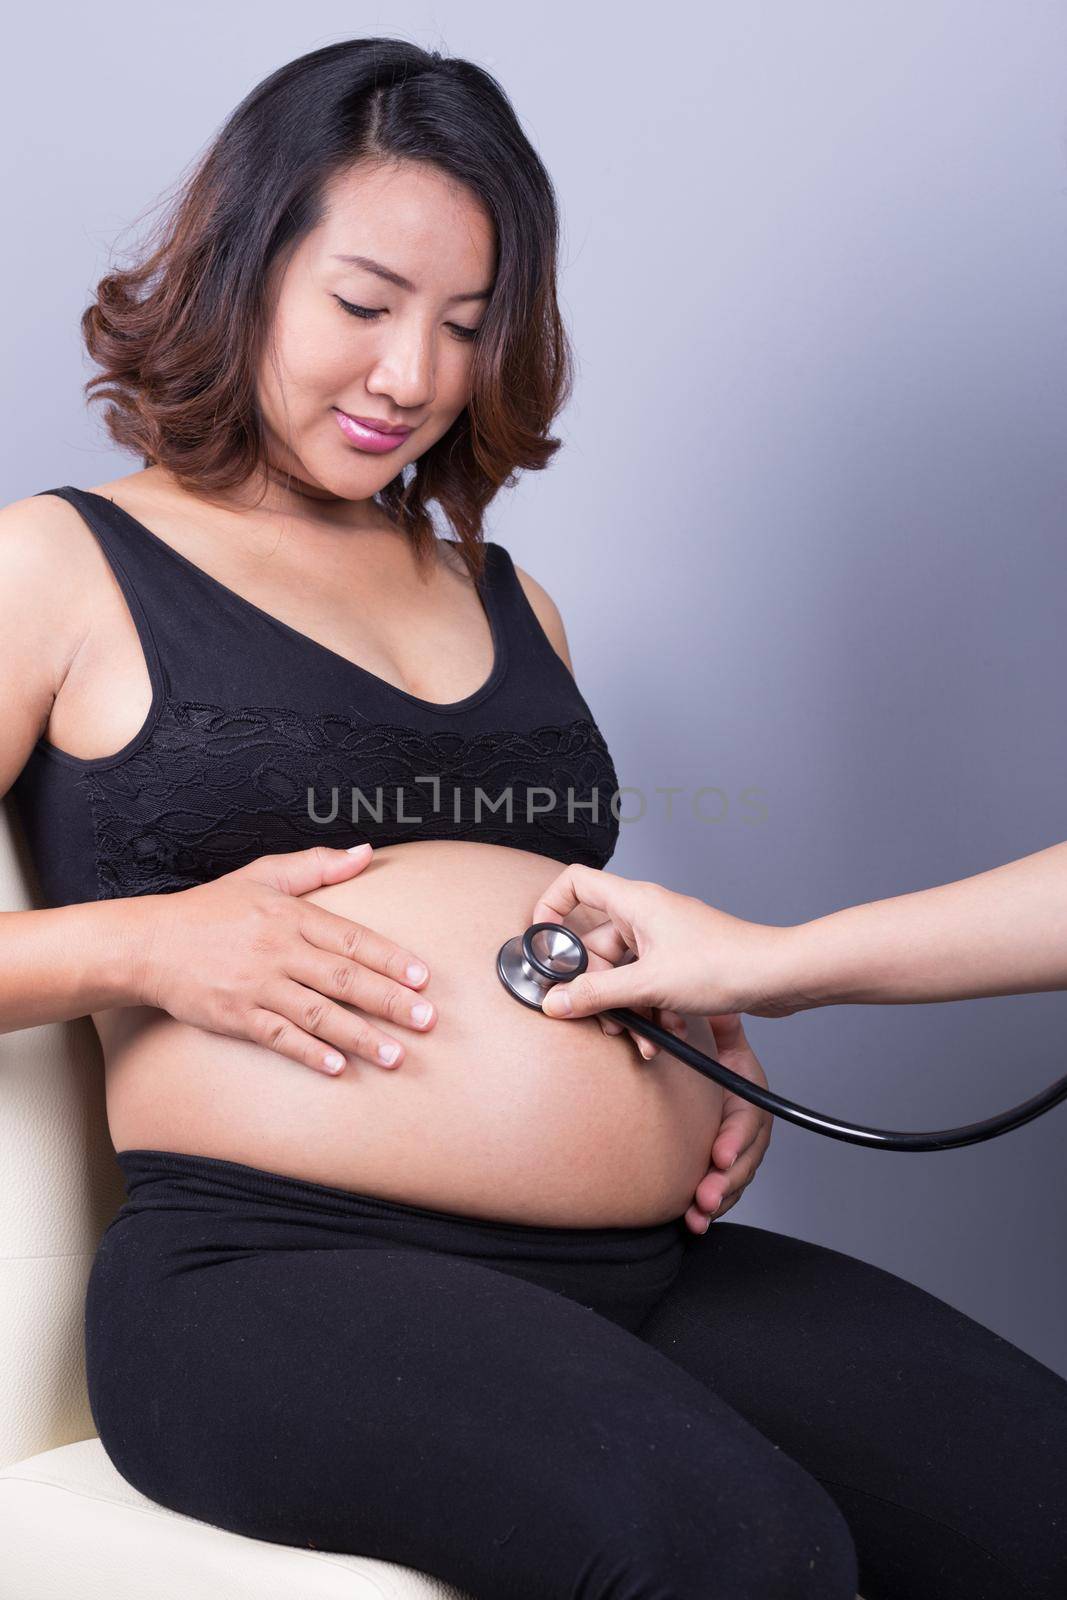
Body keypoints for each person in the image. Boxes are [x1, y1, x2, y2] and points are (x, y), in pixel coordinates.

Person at [3, 36, 1065, 1600]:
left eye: (466, 325)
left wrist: (694, 1035)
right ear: (243, 272)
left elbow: (551, 912)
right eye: (364, 305)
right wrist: (154, 945)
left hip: (630, 1269)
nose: (412, 376)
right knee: (740, 1559)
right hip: (270, 1275)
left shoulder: (514, 604)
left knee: (1038, 1495)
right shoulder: (64, 564)